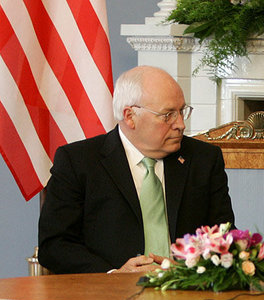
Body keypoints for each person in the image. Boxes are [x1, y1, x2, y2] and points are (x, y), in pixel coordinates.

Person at [38, 65, 235, 274]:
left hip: (187, 293)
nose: (180, 124)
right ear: (130, 116)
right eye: (167, 115)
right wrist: (114, 275)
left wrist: (192, 269)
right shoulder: (79, 162)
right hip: (108, 297)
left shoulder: (203, 159)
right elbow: (54, 246)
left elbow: (224, 237)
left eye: (182, 111)